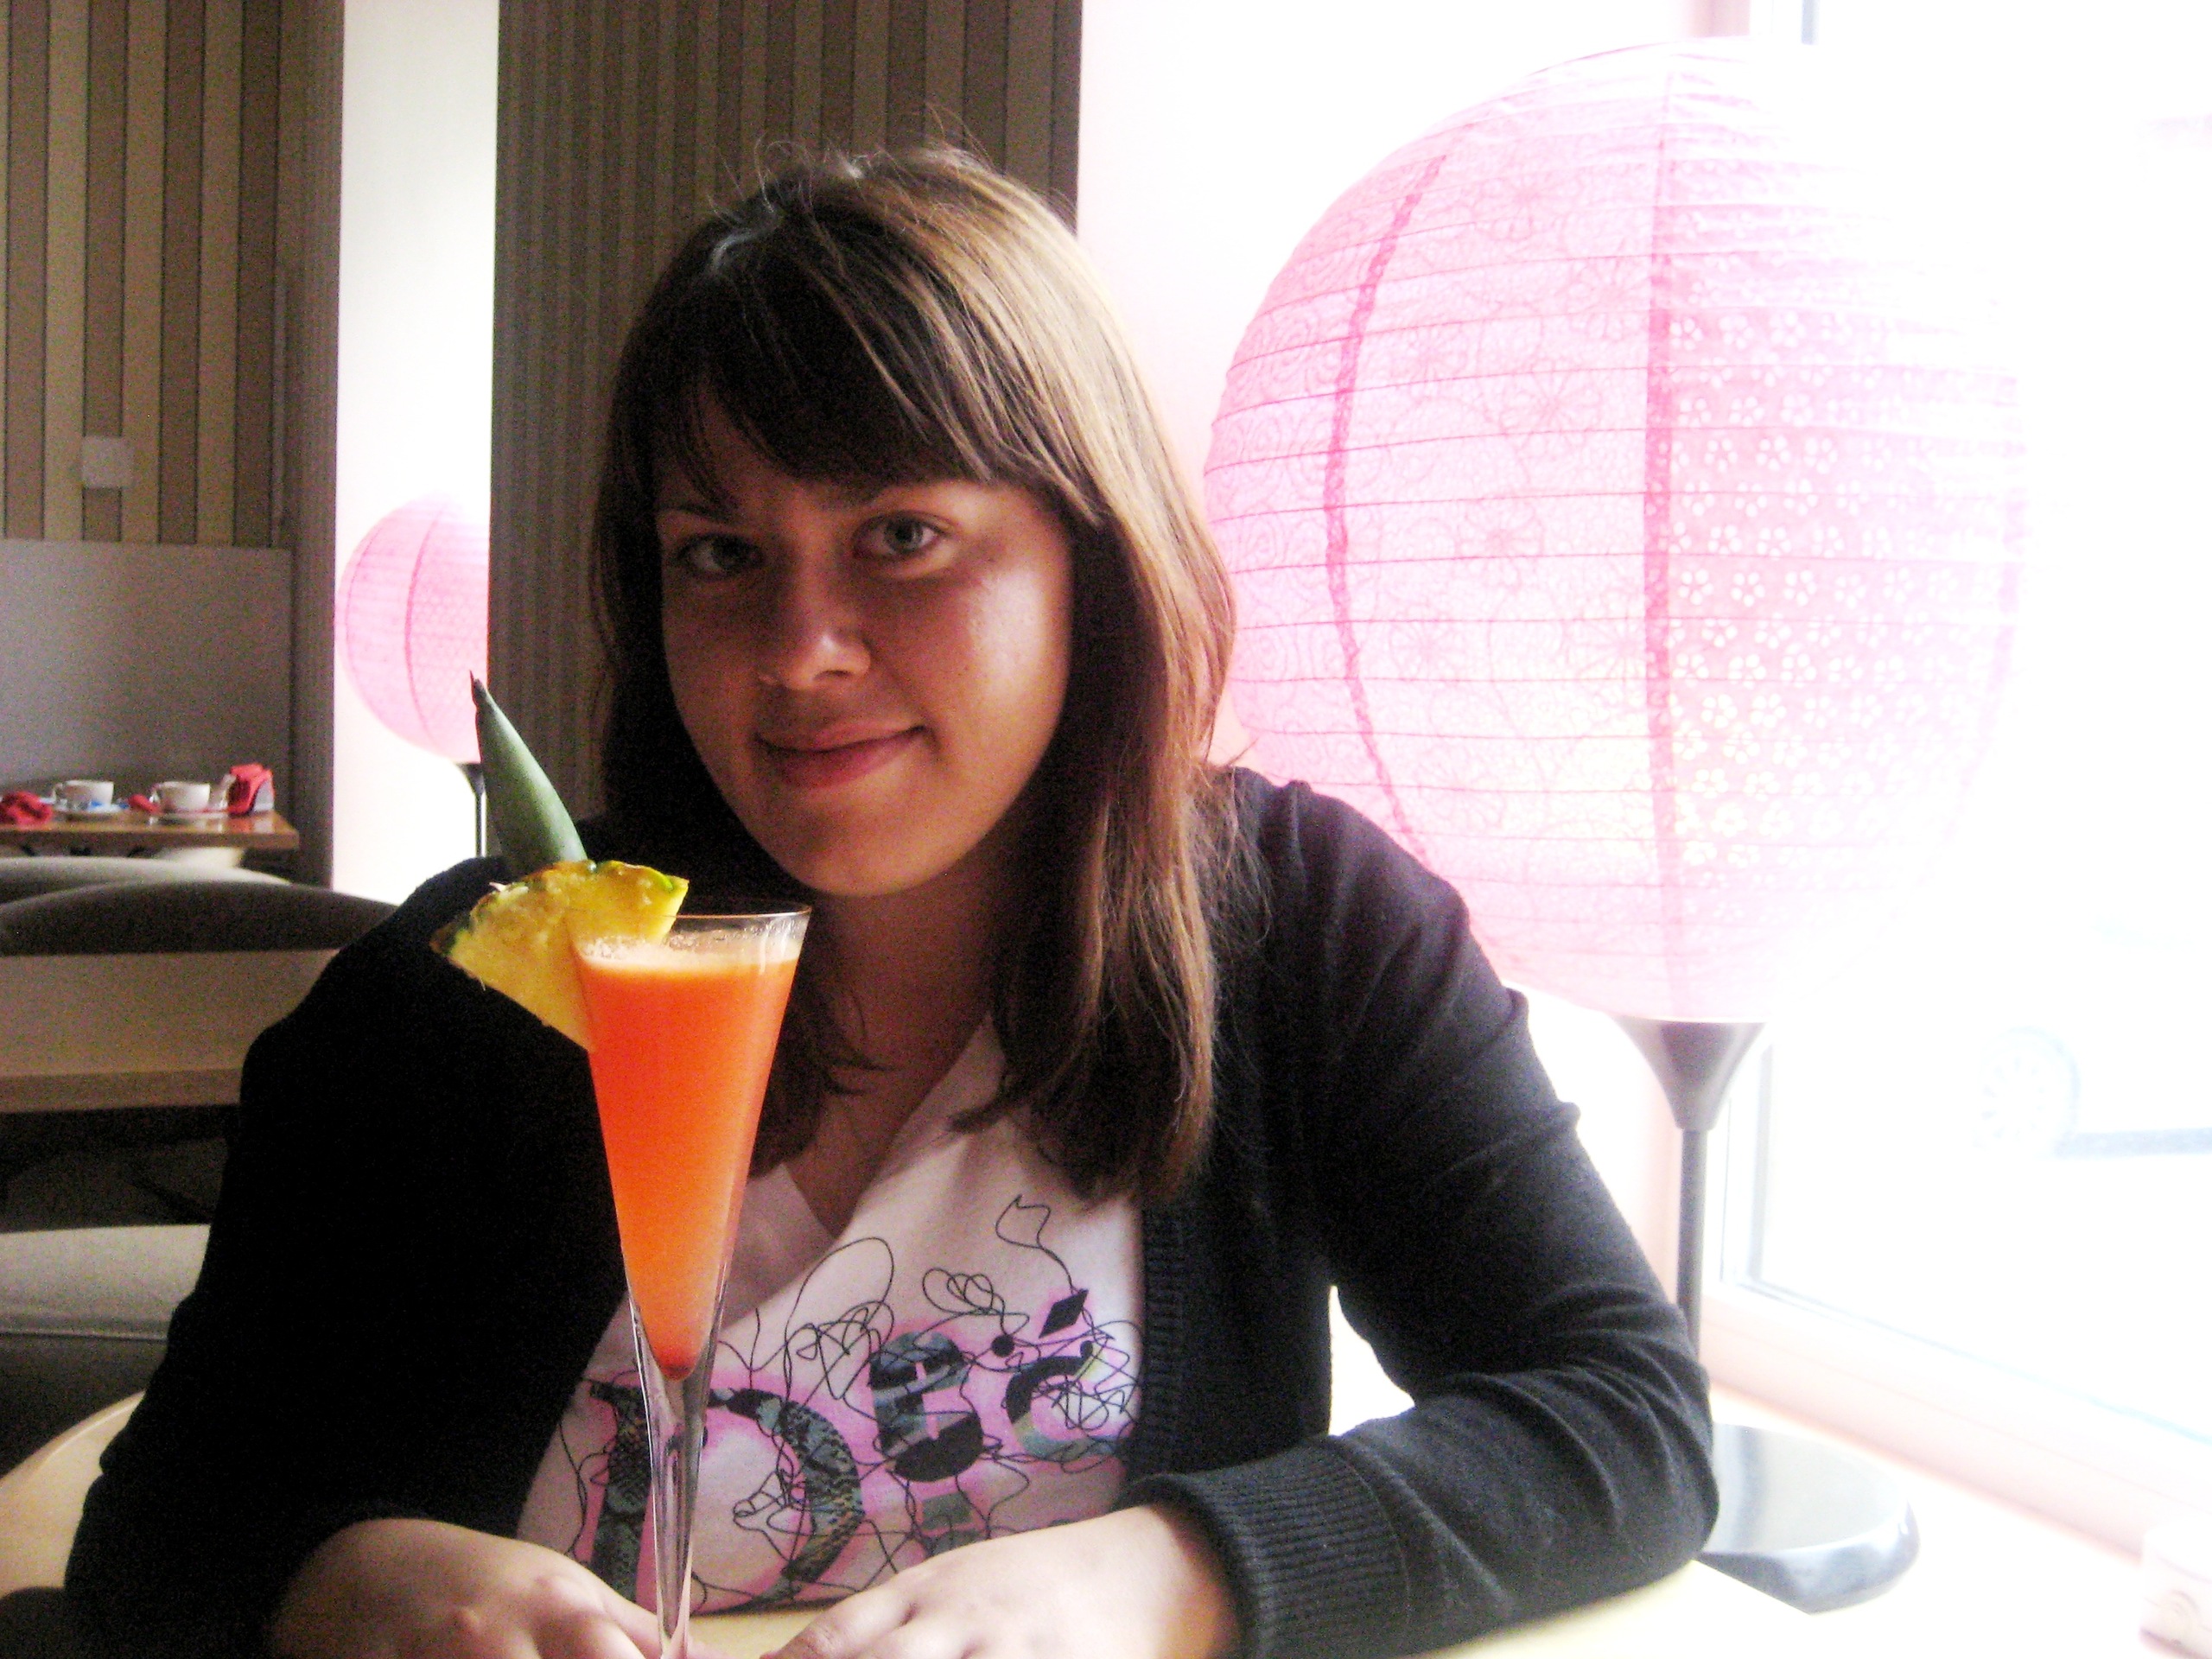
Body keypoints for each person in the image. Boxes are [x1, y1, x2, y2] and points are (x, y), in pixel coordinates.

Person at [67, 149, 1714, 1659]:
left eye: (904, 535)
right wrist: (361, 1581)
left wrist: (1162, 1575)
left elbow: (1619, 1417)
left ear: (1090, 556)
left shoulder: (1307, 934)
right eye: (721, 554)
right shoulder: (475, 993)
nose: (800, 652)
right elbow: (161, 1532)